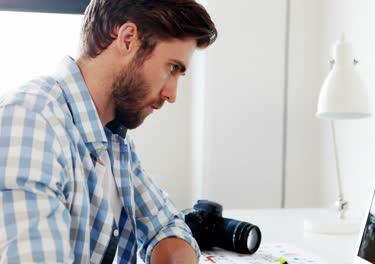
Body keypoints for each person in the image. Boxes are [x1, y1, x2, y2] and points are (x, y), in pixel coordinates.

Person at [0, 0, 217, 263]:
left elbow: (166, 226)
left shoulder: (112, 138)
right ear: (127, 39)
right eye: (172, 68)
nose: (171, 95)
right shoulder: (30, 120)